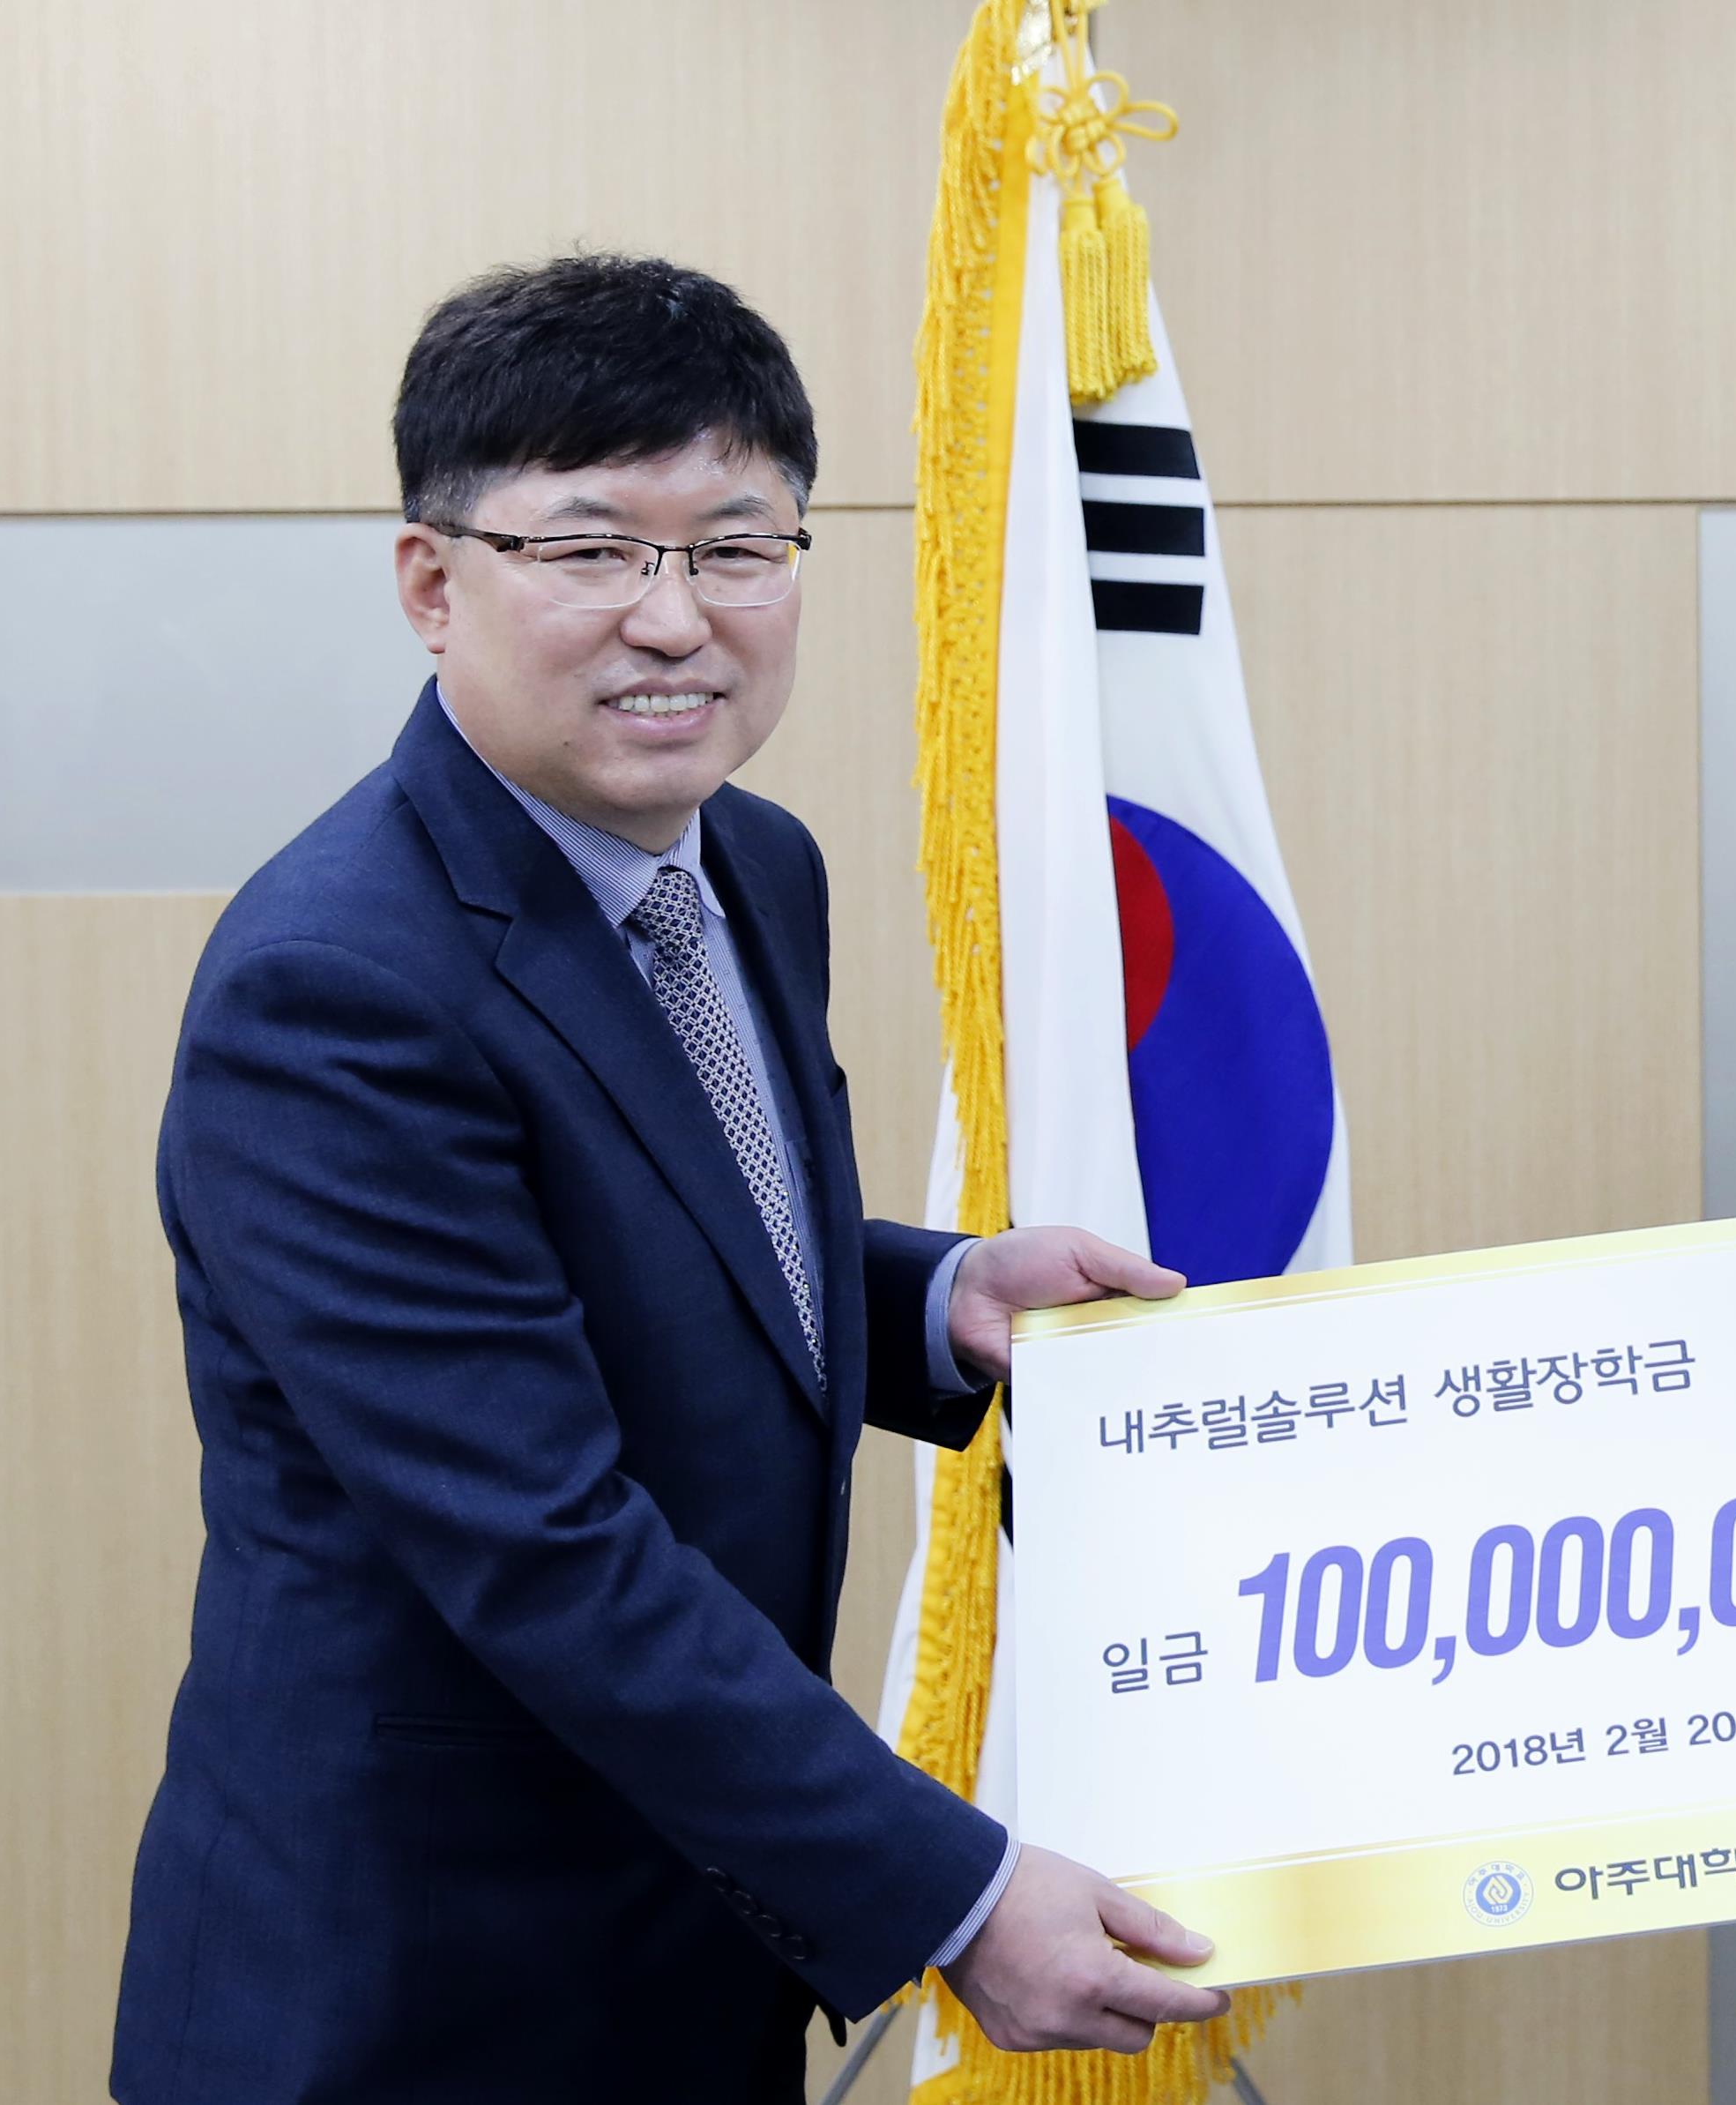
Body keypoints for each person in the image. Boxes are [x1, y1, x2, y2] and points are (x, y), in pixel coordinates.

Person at [112, 255, 1228, 2103]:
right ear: (430, 582)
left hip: (691, 1940)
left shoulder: (753, 864)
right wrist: (950, 1896)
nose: (673, 618)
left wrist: (933, 1299)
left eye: (735, 548)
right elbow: (540, 1539)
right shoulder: (335, 984)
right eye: (588, 551)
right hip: (418, 1992)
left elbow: (666, 1225)